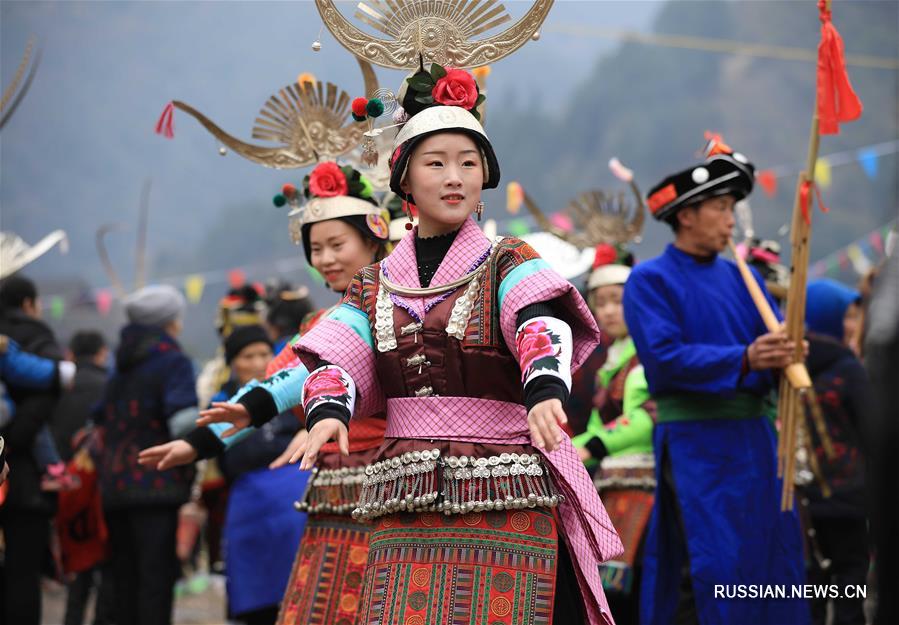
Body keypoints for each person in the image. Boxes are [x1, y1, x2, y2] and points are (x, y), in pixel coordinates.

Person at [242, 64, 623, 625]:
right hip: (405, 487)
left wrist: (544, 387)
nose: (455, 177)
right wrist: (328, 409)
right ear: (405, 181)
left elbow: (539, 322)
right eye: (436, 163)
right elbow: (339, 353)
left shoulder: (506, 259)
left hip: (505, 479)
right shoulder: (376, 282)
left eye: (469, 164)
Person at [140, 162, 391, 625]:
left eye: (338, 244)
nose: (326, 259)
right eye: (316, 248)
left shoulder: (402, 305)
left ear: (375, 238)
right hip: (335, 491)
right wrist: (199, 444)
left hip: (396, 482)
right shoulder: (321, 326)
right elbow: (270, 389)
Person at [623, 138, 807, 624]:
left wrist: (785, 355)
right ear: (686, 215)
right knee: (708, 561)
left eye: (732, 208)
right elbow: (664, 358)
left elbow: (764, 353)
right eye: (721, 207)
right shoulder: (650, 280)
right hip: (696, 447)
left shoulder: (742, 279)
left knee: (772, 557)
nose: (731, 220)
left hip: (755, 442)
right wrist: (746, 358)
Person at [95, 284, 197, 625]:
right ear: (171, 322)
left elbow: (97, 417)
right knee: (155, 580)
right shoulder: (173, 362)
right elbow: (182, 421)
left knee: (124, 579)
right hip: (158, 483)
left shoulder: (119, 364)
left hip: (115, 486)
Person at [573, 244, 655, 624]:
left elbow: (648, 414)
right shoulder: (610, 358)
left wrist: (591, 444)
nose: (608, 311)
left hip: (646, 483)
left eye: (618, 301)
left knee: (632, 587)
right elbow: (593, 423)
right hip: (609, 483)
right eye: (600, 302)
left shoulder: (649, 352)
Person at [802, 281, 870, 625]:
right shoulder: (847, 368)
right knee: (850, 590)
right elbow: (871, 427)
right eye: (846, 316)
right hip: (847, 497)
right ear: (828, 317)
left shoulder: (785, 364)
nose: (852, 325)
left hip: (800, 502)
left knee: (809, 593)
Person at [0, 275, 67, 625]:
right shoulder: (37, 337)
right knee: (23, 573)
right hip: (25, 476)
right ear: (29, 302)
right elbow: (47, 393)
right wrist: (13, 440)